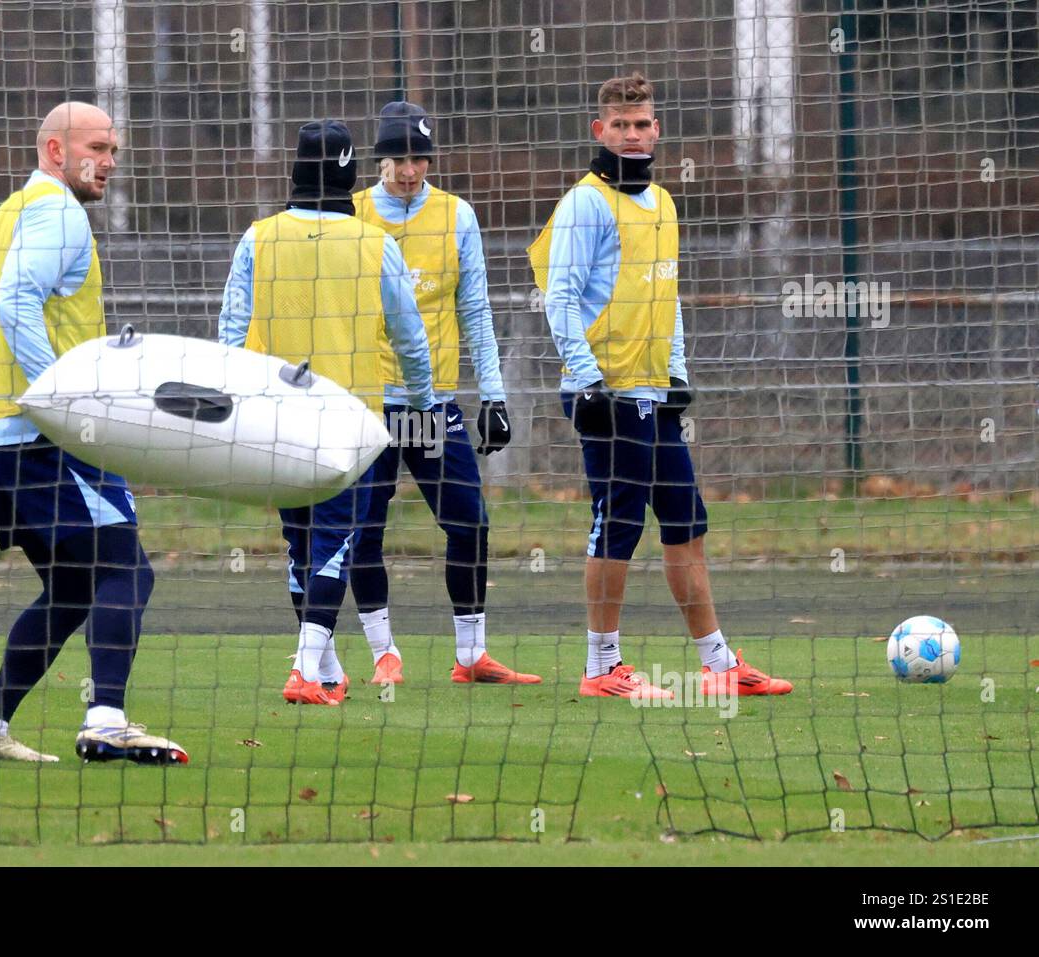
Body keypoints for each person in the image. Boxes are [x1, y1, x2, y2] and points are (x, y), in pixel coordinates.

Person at [529, 73, 792, 699]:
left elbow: (665, 297)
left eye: (642, 123)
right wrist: (588, 380)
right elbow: (559, 299)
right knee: (617, 522)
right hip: (606, 392)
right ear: (600, 131)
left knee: (685, 520)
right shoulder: (584, 203)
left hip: (653, 391)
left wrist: (677, 370)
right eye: (620, 125)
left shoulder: (665, 204)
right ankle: (602, 668)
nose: (632, 134)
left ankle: (718, 662)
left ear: (657, 129)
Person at [0, 101, 190, 761]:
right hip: (47, 435)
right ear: (56, 152)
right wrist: (62, 395)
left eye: (114, 148)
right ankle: (106, 718)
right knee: (127, 571)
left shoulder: (3, 219)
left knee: (71, 586)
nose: (111, 161)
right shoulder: (58, 212)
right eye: (98, 147)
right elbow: (14, 304)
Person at [218, 120, 437, 705]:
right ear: (351, 175)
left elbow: (230, 337)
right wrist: (422, 403)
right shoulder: (375, 243)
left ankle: (327, 671)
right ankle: (302, 671)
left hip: (274, 423)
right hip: (349, 423)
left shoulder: (257, 238)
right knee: (336, 544)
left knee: (301, 545)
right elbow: (411, 339)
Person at [349, 102, 539, 686]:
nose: (409, 170)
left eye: (419, 157)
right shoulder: (351, 215)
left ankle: (471, 655)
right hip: (369, 405)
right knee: (363, 530)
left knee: (471, 522)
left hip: (432, 406)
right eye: (398, 157)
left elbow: (475, 310)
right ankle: (384, 652)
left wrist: (495, 397)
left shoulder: (457, 216)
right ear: (380, 158)